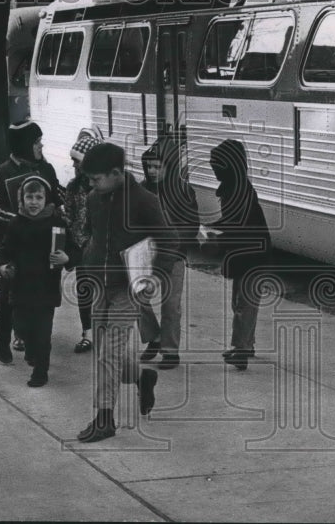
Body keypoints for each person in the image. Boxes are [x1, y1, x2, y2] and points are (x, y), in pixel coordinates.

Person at [76, 142, 180, 443]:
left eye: (97, 179)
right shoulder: (95, 198)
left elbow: (169, 241)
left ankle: (105, 419)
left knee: (108, 353)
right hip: (101, 286)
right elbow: (95, 238)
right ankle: (143, 377)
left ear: (116, 173)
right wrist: (86, 260)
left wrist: (154, 277)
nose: (92, 185)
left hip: (129, 289)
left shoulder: (144, 200)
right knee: (108, 353)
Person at [0, 175, 79, 387]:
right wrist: (3, 266)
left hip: (46, 288)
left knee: (43, 332)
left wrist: (66, 258)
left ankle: (41, 372)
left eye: (39, 197)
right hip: (20, 287)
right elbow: (4, 251)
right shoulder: (16, 223)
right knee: (23, 327)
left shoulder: (56, 223)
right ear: (21, 199)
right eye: (29, 197)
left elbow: (73, 249)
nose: (34, 202)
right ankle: (30, 347)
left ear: (46, 199)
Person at [0, 120, 60, 364]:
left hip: (39, 249)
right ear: (25, 145)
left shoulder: (44, 169)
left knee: (34, 298)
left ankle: (28, 340)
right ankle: (2, 341)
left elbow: (55, 196)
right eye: (37, 142)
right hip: (12, 246)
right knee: (9, 298)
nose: (41, 146)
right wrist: (23, 220)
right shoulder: (1, 172)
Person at [202, 139, 271, 372]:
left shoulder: (238, 192)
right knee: (240, 302)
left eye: (217, 165)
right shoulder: (233, 187)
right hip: (246, 255)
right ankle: (246, 345)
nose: (214, 170)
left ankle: (240, 351)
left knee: (244, 304)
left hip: (253, 256)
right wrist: (211, 226)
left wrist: (215, 236)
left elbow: (238, 228)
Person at [138, 136, 199, 370]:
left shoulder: (184, 191)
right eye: (149, 166)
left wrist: (172, 247)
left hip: (173, 257)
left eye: (157, 166)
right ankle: (153, 337)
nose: (151, 171)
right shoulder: (142, 190)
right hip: (147, 256)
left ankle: (170, 351)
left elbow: (191, 226)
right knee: (138, 299)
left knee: (170, 305)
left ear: (170, 166)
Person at [62, 127, 103, 354]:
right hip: (82, 247)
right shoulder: (73, 187)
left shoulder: (105, 187)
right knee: (84, 290)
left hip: (102, 249)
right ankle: (87, 332)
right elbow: (69, 214)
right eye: (73, 162)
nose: (74, 166)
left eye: (77, 162)